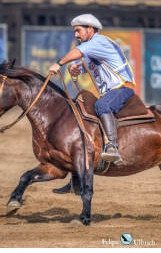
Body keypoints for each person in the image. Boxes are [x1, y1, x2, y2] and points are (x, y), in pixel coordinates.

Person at [49, 14, 136, 194]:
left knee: (102, 107)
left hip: (123, 88)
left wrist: (59, 63)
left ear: (90, 29)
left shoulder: (99, 42)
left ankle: (112, 146)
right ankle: (75, 180)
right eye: (74, 31)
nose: (76, 35)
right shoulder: (88, 49)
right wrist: (74, 71)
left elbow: (77, 54)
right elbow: (78, 66)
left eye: (78, 30)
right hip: (109, 93)